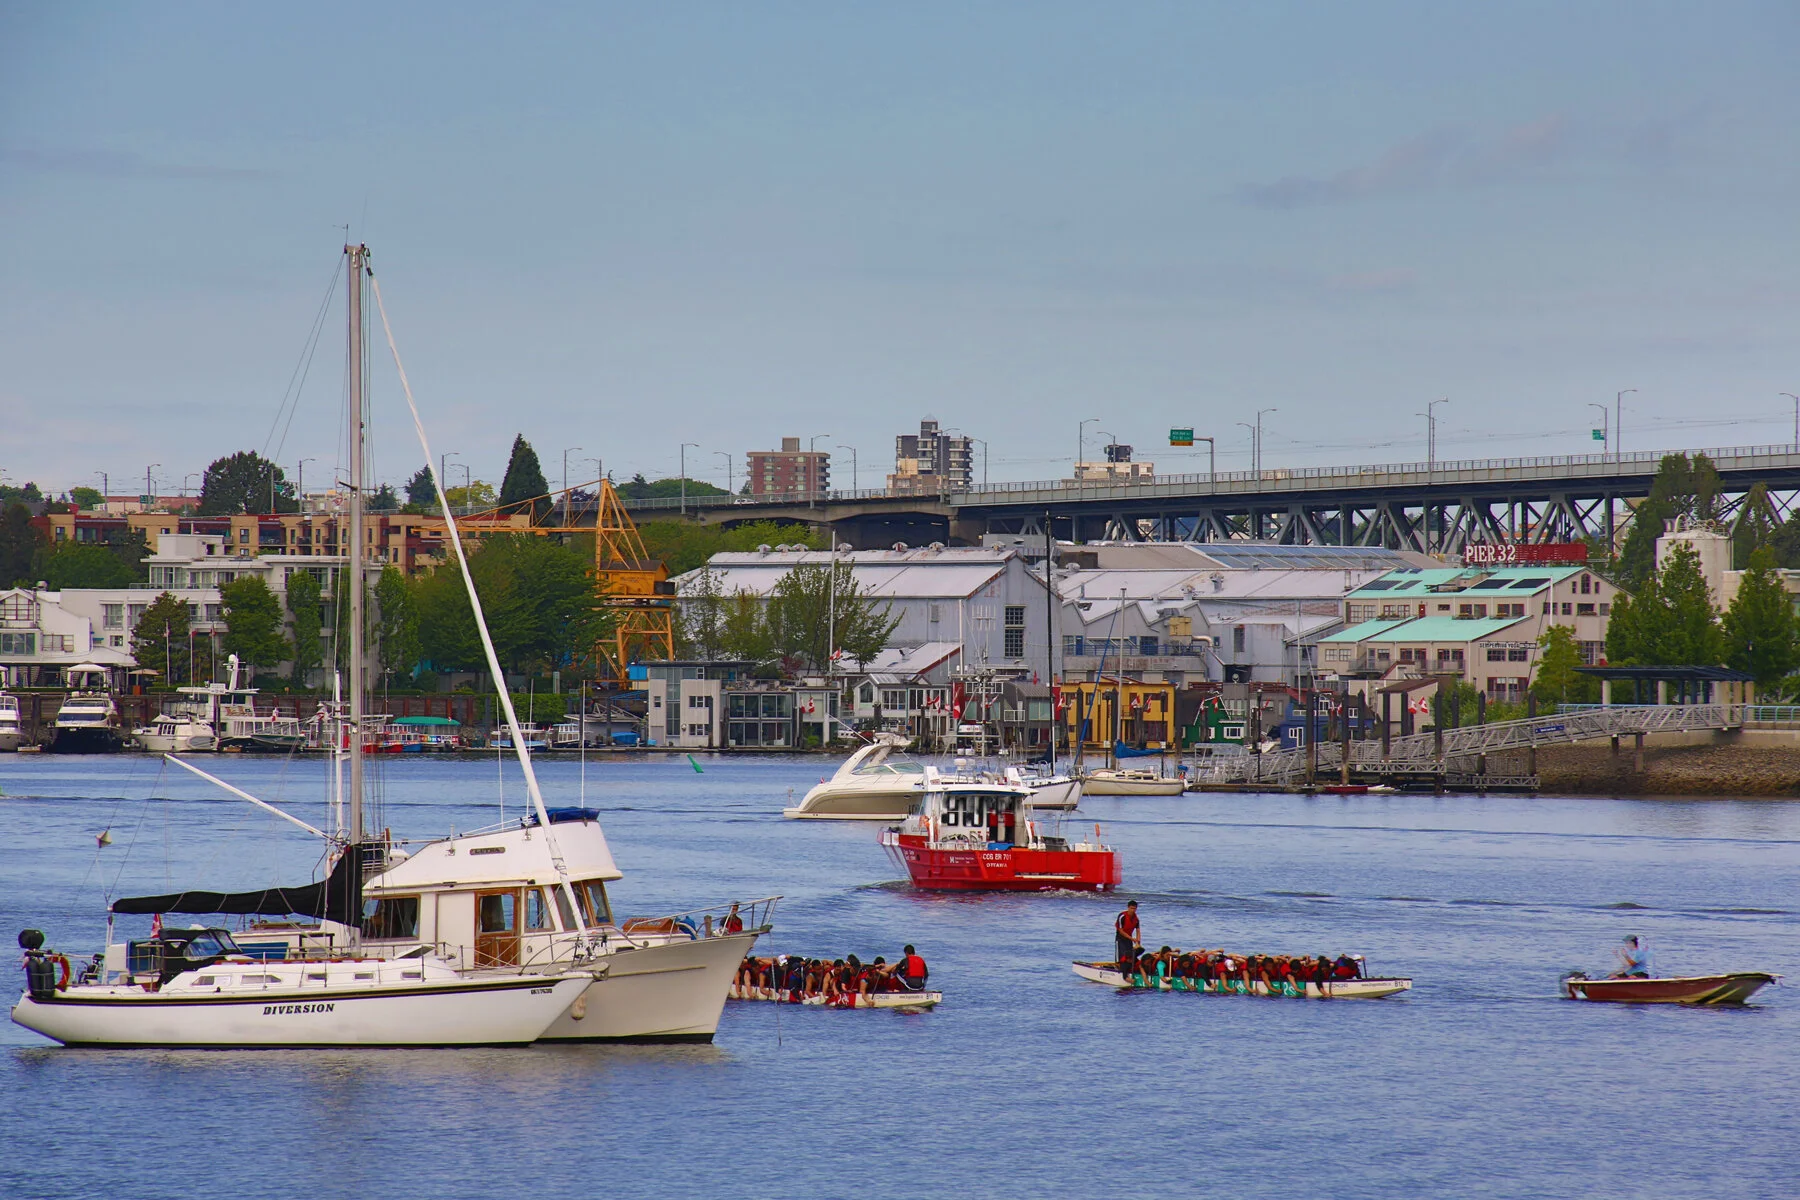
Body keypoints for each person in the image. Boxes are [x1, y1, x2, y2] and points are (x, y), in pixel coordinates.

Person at [1114, 900, 1141, 971]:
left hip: (1129, 939)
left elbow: (1138, 930)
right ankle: (1120, 968)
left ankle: (1129, 969)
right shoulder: (1122, 916)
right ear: (1128, 908)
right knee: (1122, 955)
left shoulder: (1136, 919)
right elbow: (1120, 930)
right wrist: (1132, 939)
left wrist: (1138, 941)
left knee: (1130, 955)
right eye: (1131, 908)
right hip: (1120, 938)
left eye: (1134, 908)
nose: (1133, 910)